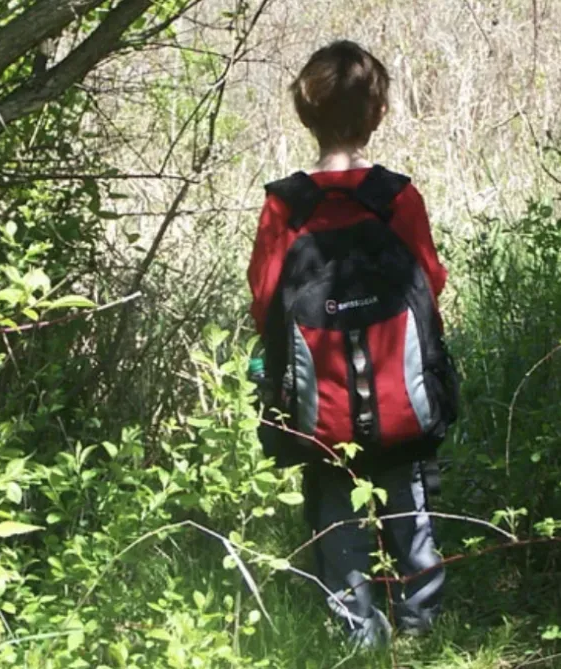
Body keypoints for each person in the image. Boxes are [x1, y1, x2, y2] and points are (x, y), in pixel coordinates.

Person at [246, 40, 454, 649]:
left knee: (334, 503)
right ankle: (422, 627)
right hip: (398, 394)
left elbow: (265, 299)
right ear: (378, 113)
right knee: (406, 497)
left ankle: (359, 633)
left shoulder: (285, 204)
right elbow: (430, 283)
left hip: (319, 402)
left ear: (305, 115)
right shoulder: (396, 197)